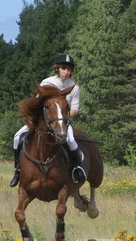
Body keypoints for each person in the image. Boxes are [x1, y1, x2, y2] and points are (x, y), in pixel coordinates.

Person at [10, 54, 86, 187]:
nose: (66, 72)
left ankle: (76, 169)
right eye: (63, 68)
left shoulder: (74, 87)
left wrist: (63, 117)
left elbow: (75, 109)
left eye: (69, 69)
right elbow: (38, 103)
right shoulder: (47, 82)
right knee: (17, 137)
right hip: (43, 121)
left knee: (71, 141)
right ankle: (17, 170)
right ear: (57, 69)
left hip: (62, 122)